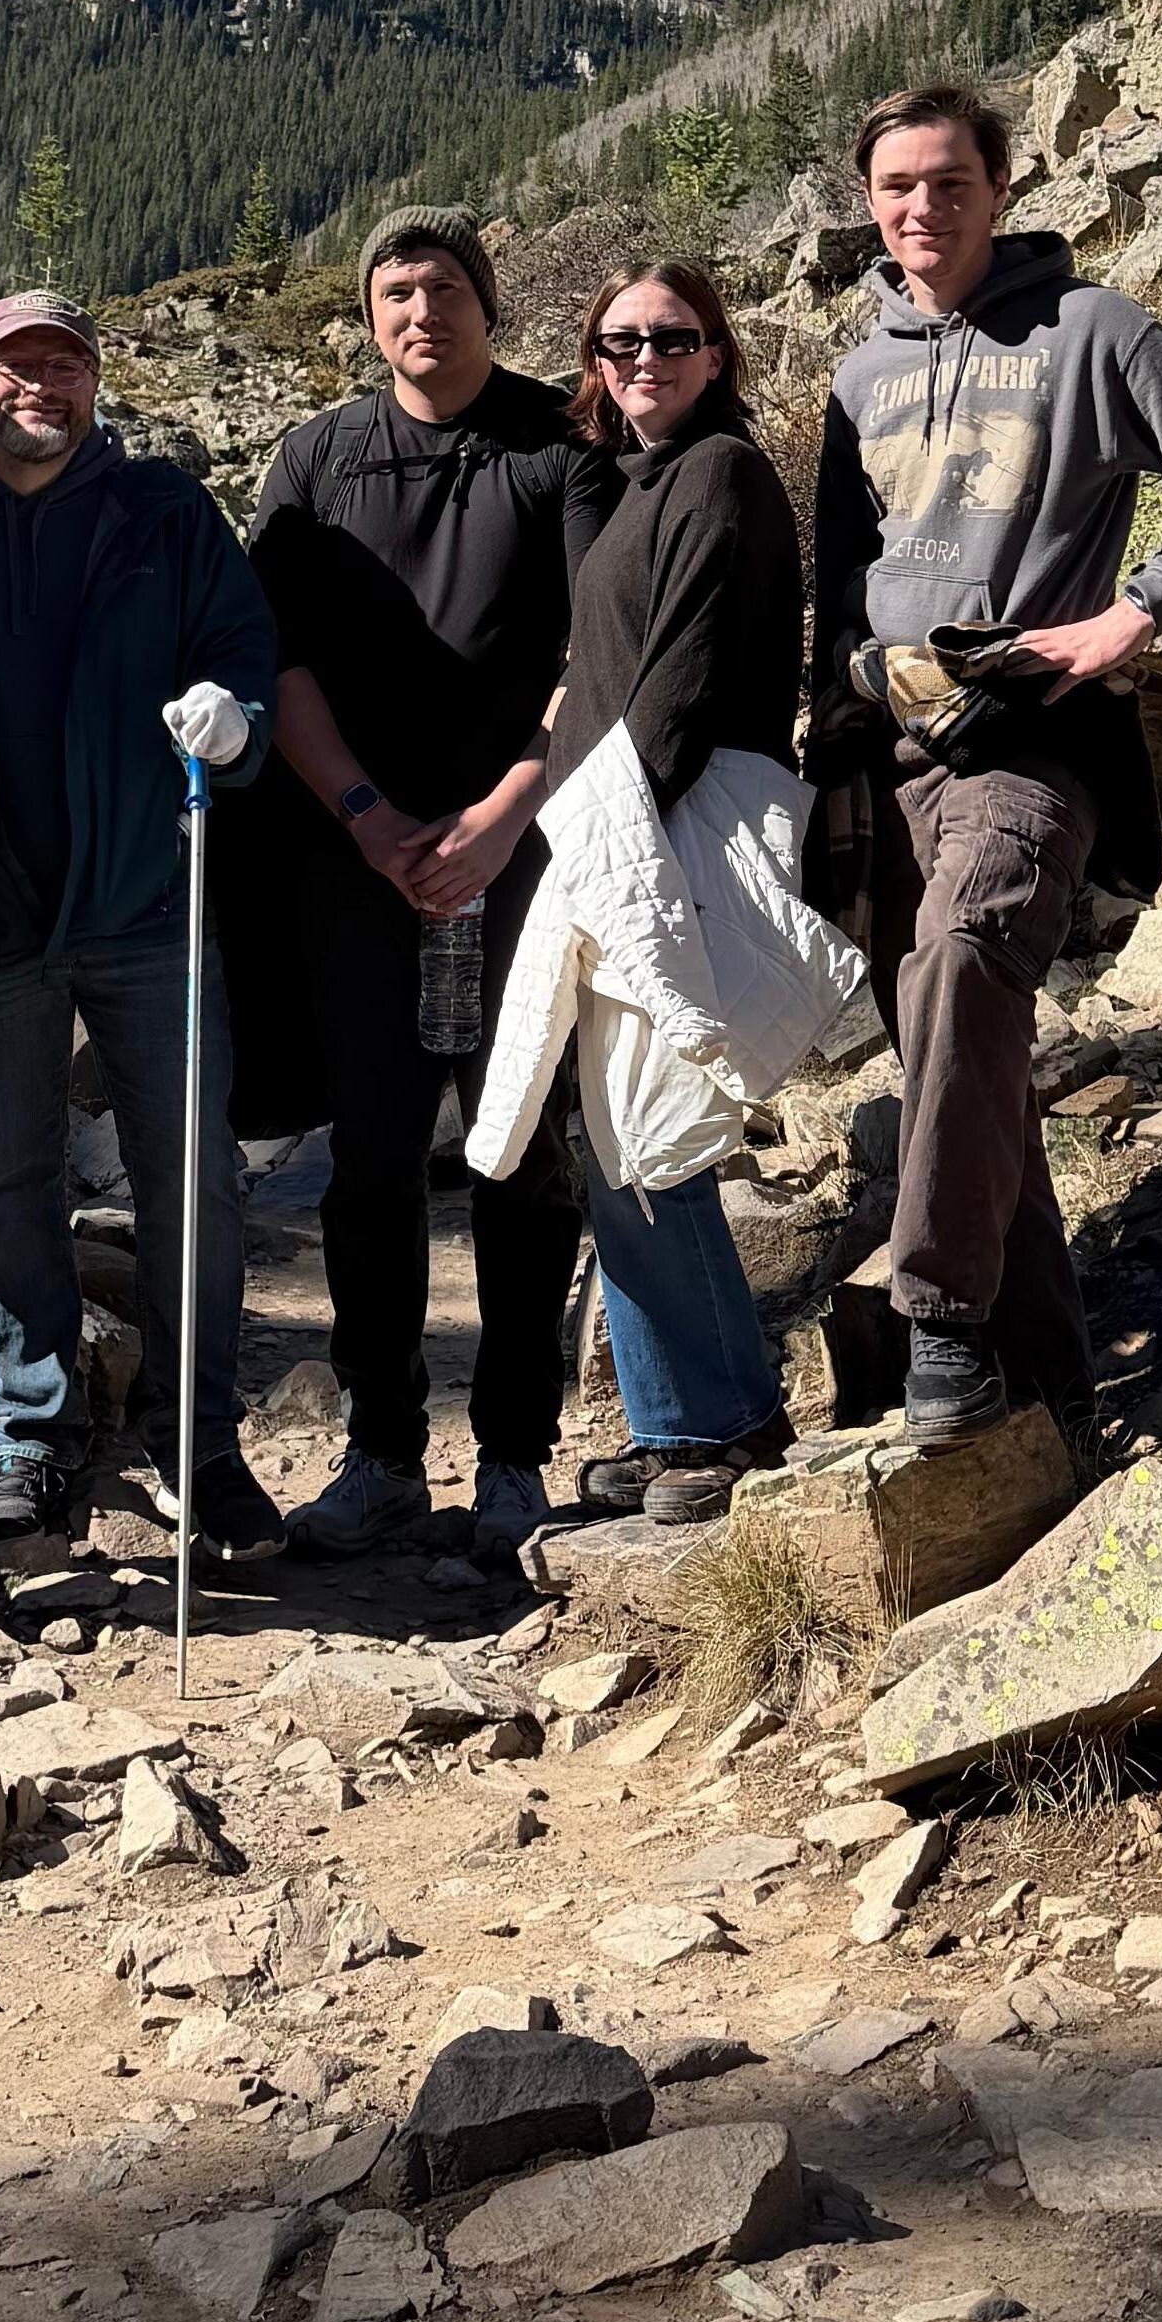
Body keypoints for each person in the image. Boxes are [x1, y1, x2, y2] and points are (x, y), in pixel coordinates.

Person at [808, 80, 1162, 1450]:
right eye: (897, 185)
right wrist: (855, 675)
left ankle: (939, 1320)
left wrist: (1126, 617)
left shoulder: (1091, 331)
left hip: (1038, 739)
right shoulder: (860, 376)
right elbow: (836, 597)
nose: (922, 206)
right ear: (870, 203)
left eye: (949, 182)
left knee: (967, 961)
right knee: (961, 1058)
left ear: (1000, 191)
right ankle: (1046, 1404)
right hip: (892, 759)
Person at [0, 287, 288, 1572]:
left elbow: (244, 652)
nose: (40, 387)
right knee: (6, 1184)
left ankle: (199, 1446)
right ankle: (36, 1436)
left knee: (195, 1184)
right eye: (14, 366)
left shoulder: (165, 513)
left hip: (146, 900)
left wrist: (234, 722)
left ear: (96, 383)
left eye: (65, 365)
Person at [250, 211, 584, 1560]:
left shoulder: (562, 445)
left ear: (487, 304)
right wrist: (369, 816)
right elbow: (275, 664)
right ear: (369, 314)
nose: (418, 312)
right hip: (361, 867)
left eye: (443, 288)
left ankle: (514, 1455)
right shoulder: (318, 460)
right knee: (373, 1160)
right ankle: (381, 1449)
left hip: (525, 854)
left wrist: (504, 815)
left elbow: (600, 657)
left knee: (521, 1151)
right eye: (394, 292)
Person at [490, 259, 823, 1525]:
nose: (643, 358)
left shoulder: (721, 473)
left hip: (665, 825)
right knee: (613, 1129)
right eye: (618, 339)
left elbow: (678, 685)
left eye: (672, 338)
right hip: (625, 821)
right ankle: (675, 1411)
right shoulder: (639, 482)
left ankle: (720, 1419)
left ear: (718, 353)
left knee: (648, 1128)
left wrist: (602, 841)